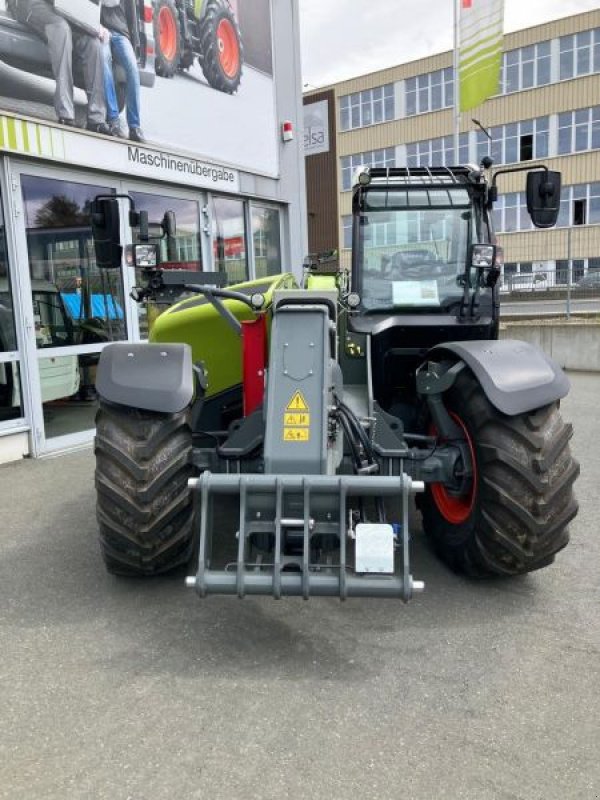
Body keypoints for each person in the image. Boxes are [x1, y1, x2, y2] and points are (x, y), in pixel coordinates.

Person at [9, 0, 109, 133]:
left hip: (63, 7)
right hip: (32, 4)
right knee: (61, 28)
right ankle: (65, 112)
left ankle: (96, 118)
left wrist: (93, 24)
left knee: (93, 43)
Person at [100, 0, 145, 143]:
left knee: (132, 68)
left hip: (121, 33)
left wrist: (135, 44)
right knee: (103, 59)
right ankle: (113, 120)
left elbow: (132, 14)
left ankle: (134, 126)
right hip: (100, 30)